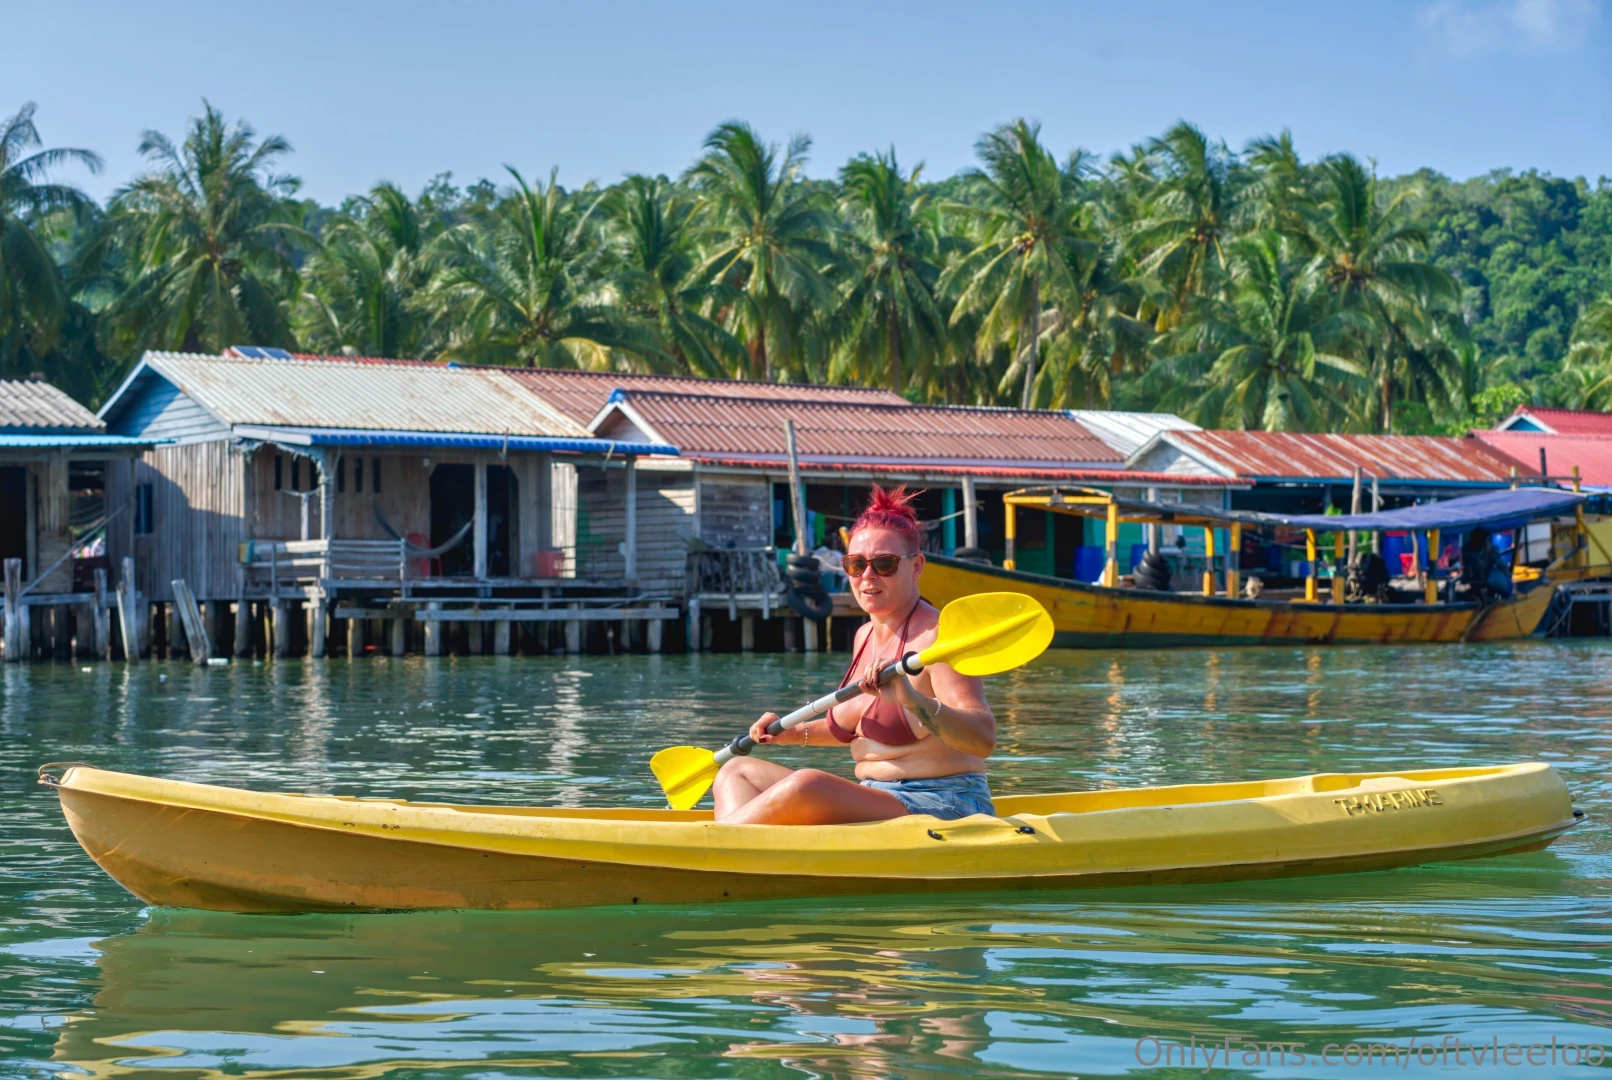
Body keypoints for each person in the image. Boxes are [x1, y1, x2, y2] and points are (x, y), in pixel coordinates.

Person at [712, 485, 997, 825]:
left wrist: (910, 699)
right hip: (876, 794)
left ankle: (712, 850)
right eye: (856, 564)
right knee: (736, 771)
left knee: (809, 783)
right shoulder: (864, 635)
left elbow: (982, 739)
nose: (867, 576)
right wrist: (791, 733)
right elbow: (851, 726)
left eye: (885, 564)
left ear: (917, 566)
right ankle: (735, 850)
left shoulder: (938, 638)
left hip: (945, 802)